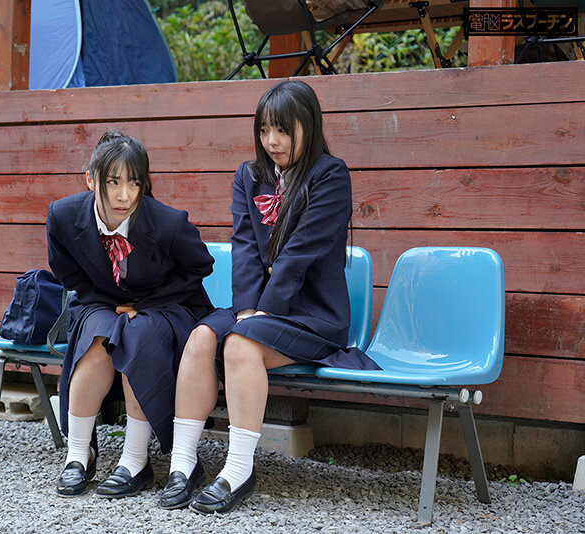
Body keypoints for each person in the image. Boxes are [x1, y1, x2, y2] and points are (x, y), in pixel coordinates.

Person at [158, 80, 381, 513]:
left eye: (282, 130)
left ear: (309, 126)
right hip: (258, 308)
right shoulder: (249, 176)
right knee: (201, 336)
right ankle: (183, 464)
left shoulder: (330, 175)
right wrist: (246, 310)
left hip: (313, 315)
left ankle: (238, 470)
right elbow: (244, 245)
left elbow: (300, 253)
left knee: (241, 344)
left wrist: (262, 313)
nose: (272, 141)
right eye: (264, 130)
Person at [46, 131, 214, 499]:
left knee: (138, 334)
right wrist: (105, 301)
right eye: (114, 182)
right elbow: (66, 270)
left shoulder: (168, 222)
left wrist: (146, 304)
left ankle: (135, 461)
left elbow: (200, 266)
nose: (125, 195)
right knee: (97, 338)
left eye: (135, 183)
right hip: (102, 302)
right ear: (91, 180)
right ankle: (78, 455)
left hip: (167, 306)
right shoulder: (63, 215)